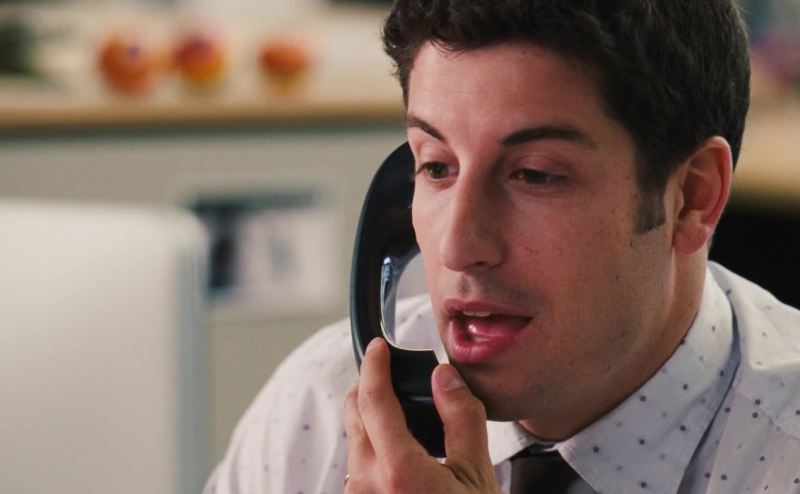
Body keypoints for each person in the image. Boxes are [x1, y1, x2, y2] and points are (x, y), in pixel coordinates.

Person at [205, 1, 800, 493]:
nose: (458, 247)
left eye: (534, 174)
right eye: (436, 167)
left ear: (693, 196)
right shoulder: (319, 405)